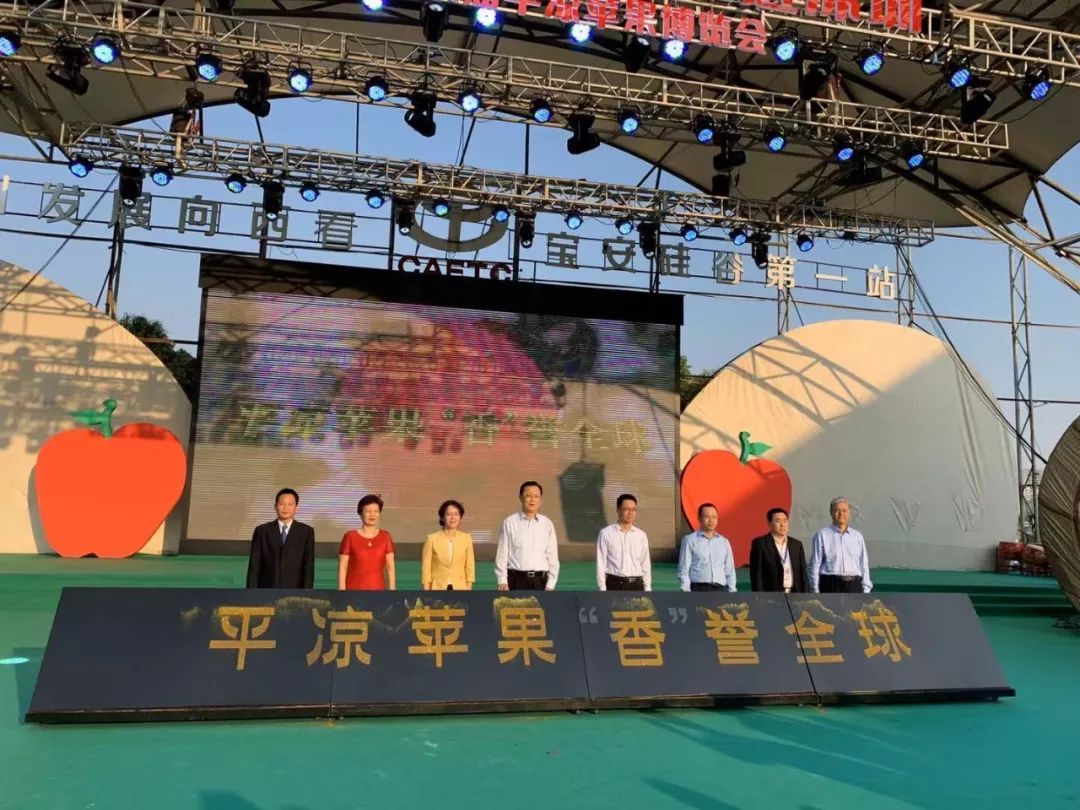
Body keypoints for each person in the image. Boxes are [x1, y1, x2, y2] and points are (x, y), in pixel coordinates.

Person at [494, 481, 560, 591]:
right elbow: (502, 554)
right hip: (515, 581)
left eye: (536, 496)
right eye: (529, 496)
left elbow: (552, 556)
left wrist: (551, 584)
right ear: (521, 498)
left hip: (540, 582)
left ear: (540, 499)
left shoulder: (547, 524)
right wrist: (502, 581)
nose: (532, 500)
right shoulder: (509, 522)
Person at [246, 488, 316, 589]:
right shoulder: (262, 531)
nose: (285, 508)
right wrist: (251, 593)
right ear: (275, 507)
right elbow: (254, 567)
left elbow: (308, 567)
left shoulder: (306, 532)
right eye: (282, 504)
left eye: (290, 504)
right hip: (266, 590)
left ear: (296, 507)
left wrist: (306, 594)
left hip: (295, 591)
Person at [808, 496, 872, 593]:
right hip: (830, 584)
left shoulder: (857, 536)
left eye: (844, 511)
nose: (841, 514)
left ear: (849, 513)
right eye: (837, 510)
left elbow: (863, 563)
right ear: (831, 512)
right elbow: (815, 563)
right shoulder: (822, 535)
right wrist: (815, 589)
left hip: (854, 584)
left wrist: (866, 588)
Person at [338, 494, 396, 591]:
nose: (372, 515)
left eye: (376, 511)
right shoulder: (350, 536)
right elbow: (343, 566)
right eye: (368, 511)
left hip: (378, 591)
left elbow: (390, 566)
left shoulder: (385, 536)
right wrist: (341, 592)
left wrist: (392, 591)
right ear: (361, 514)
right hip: (353, 591)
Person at [596, 494, 651, 591]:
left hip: (636, 586)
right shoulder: (606, 533)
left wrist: (647, 588)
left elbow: (645, 564)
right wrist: (602, 589)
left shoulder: (641, 535)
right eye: (626, 509)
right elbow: (601, 564)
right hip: (614, 585)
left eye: (633, 509)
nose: (630, 513)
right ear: (618, 510)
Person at [677, 503, 736, 592]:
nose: (711, 520)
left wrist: (732, 591)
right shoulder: (689, 540)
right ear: (699, 519)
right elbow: (683, 569)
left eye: (714, 517)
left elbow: (730, 571)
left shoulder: (724, 542)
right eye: (707, 517)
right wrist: (686, 592)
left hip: (720, 590)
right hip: (698, 589)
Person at [749, 507, 808, 593]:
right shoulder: (760, 544)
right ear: (769, 523)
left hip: (794, 593)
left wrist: (805, 594)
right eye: (778, 521)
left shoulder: (796, 545)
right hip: (771, 594)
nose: (782, 525)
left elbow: (803, 574)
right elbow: (756, 574)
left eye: (785, 521)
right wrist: (759, 596)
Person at [421, 500, 476, 591]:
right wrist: (426, 590)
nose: (453, 517)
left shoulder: (466, 538)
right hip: (437, 587)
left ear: (460, 517)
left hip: (460, 588)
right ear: (442, 517)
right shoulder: (431, 539)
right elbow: (426, 568)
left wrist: (468, 586)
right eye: (449, 514)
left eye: (456, 514)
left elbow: (470, 565)